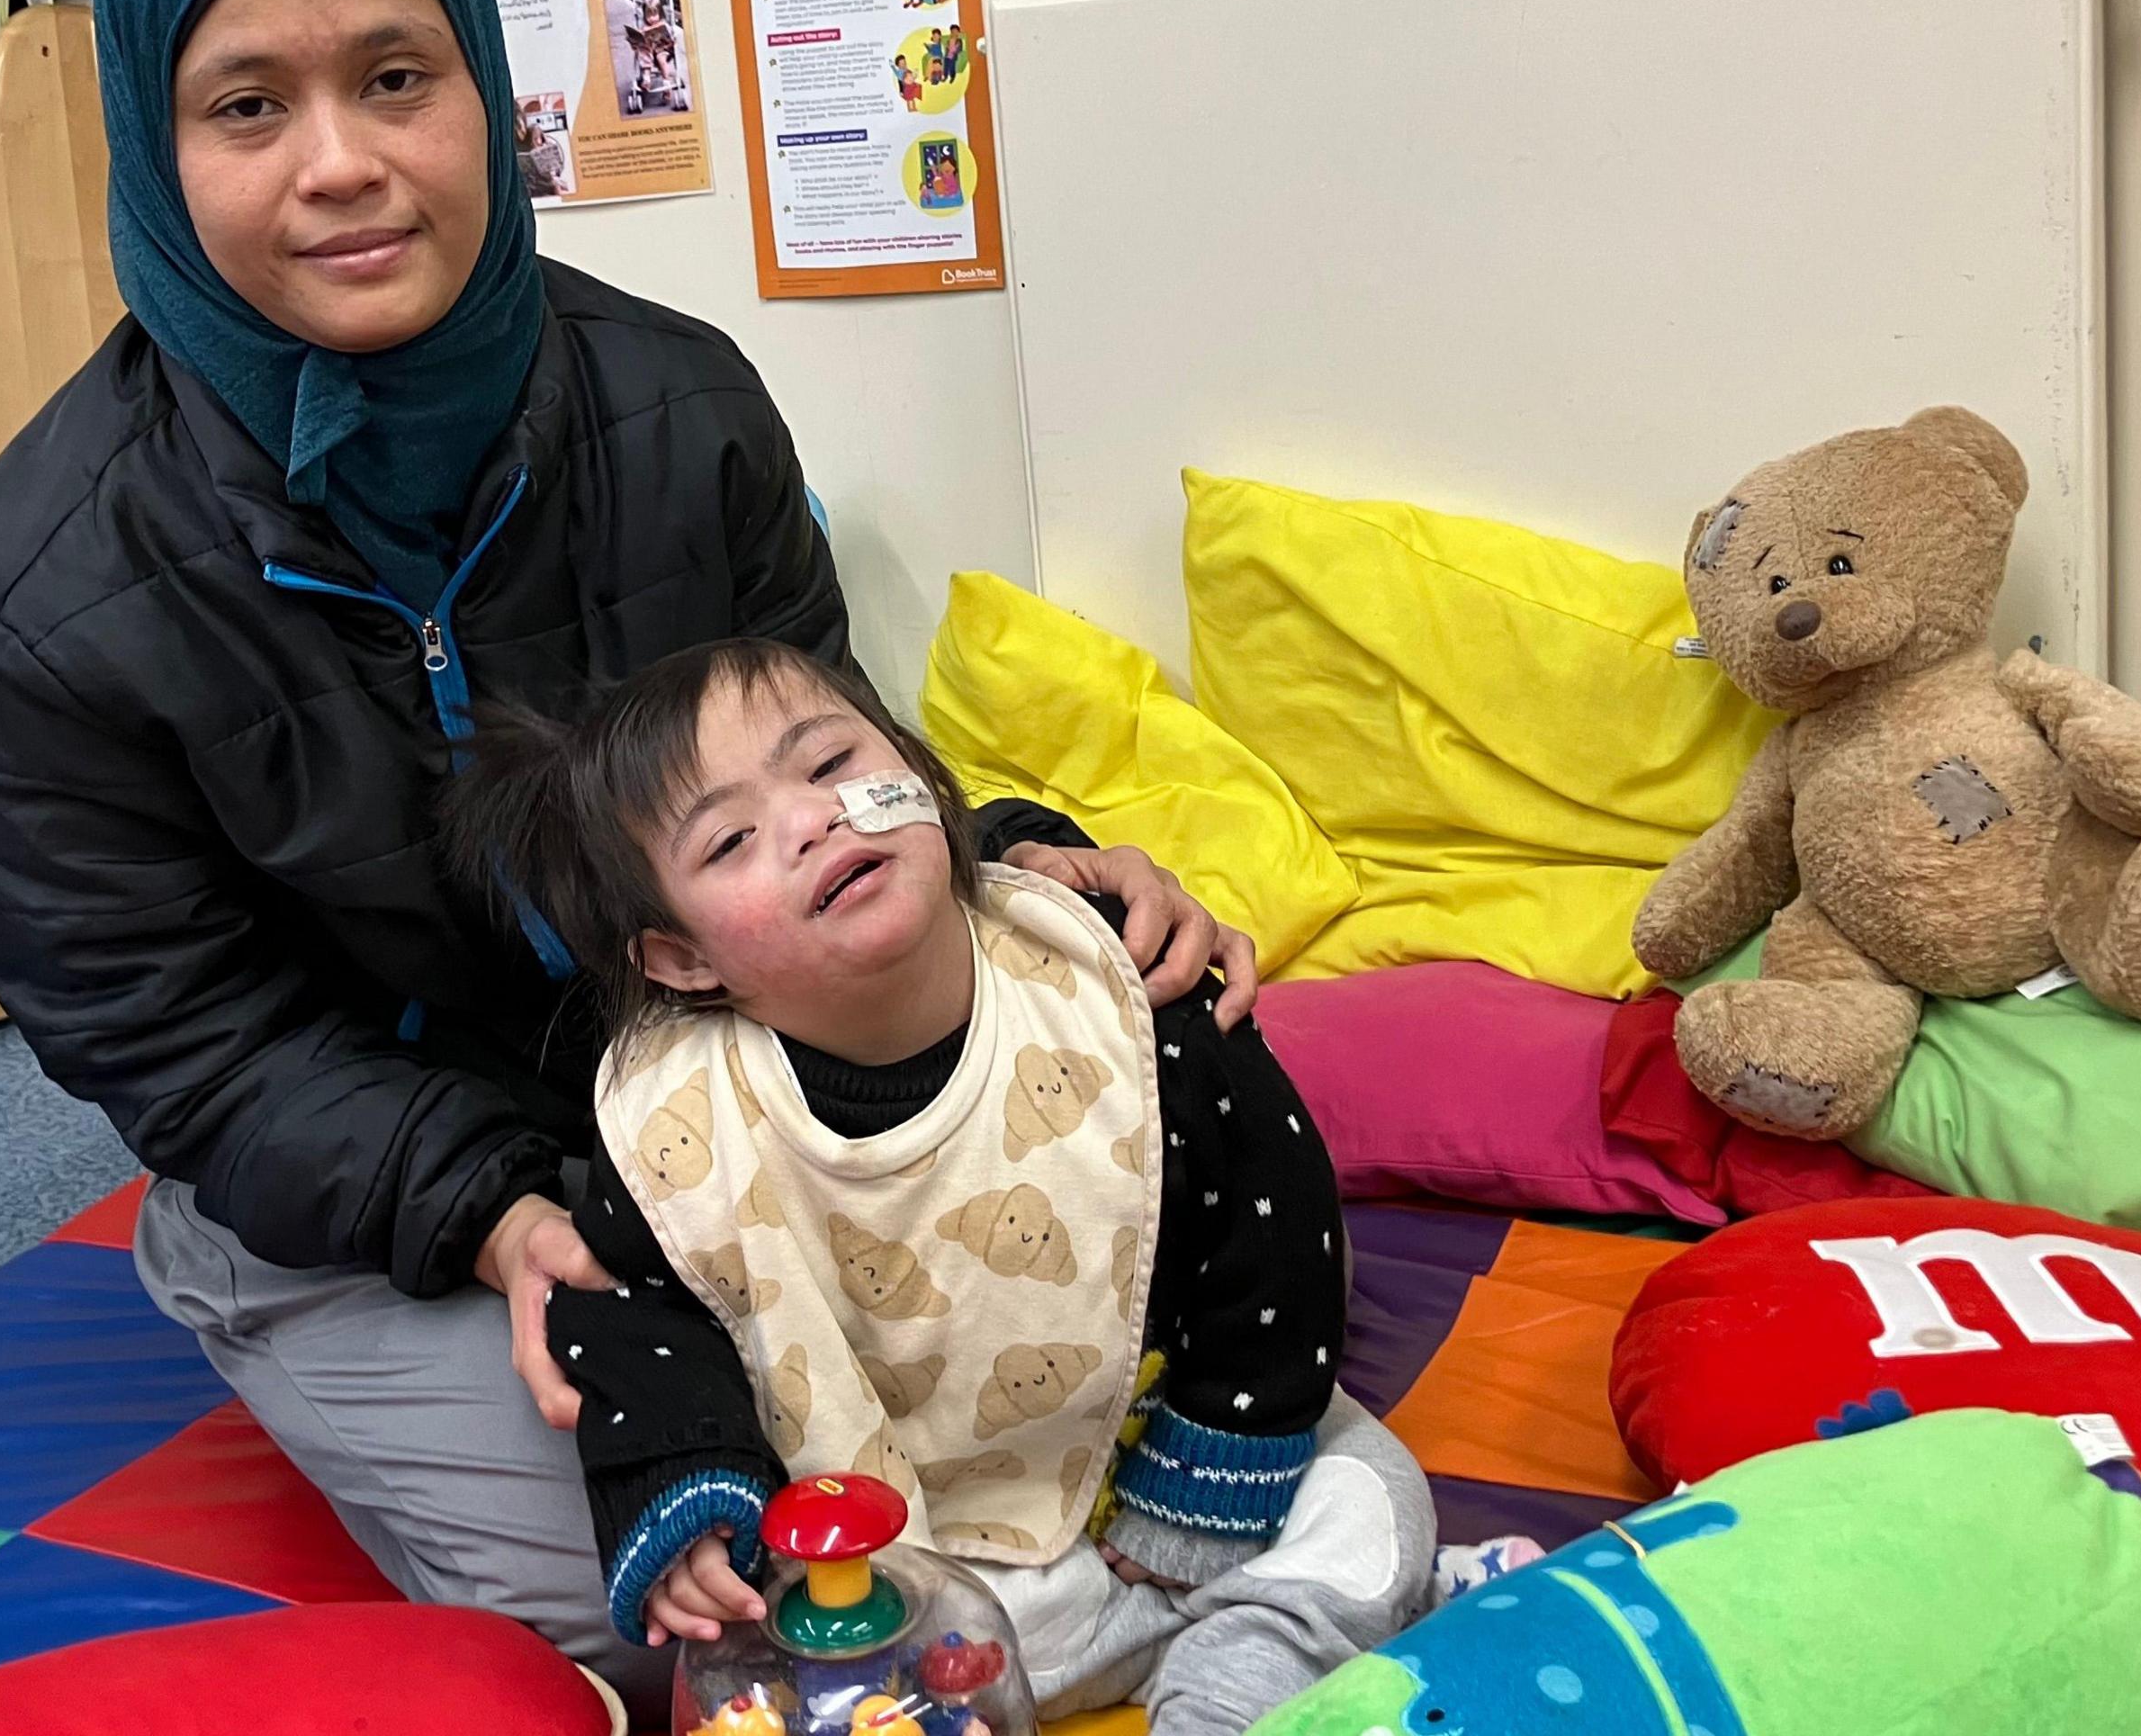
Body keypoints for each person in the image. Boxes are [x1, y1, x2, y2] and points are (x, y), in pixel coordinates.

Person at [0, 0, 1258, 1705]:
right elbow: (165, 1029)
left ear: (485, 80)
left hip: (735, 1074)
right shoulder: (33, 592)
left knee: (1153, 1337)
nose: (345, 167)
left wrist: (1008, 865)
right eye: (247, 109)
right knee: (722, 1593)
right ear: (152, 140)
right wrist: (488, 1205)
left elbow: (821, 748)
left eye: (399, 78)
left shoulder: (675, 397)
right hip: (382, 1208)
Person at [442, 638, 1437, 1733]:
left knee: (1367, 1492)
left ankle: (1229, 1695)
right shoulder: (681, 1122)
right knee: (749, 1650)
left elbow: (1274, 1211)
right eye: (731, 838)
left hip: (1151, 1462)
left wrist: (1209, 1470)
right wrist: (682, 1490)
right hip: (919, 1562)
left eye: (831, 764)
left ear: (921, 774)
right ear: (681, 960)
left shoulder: (1104, 982)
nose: (816, 819)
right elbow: (635, 1313)